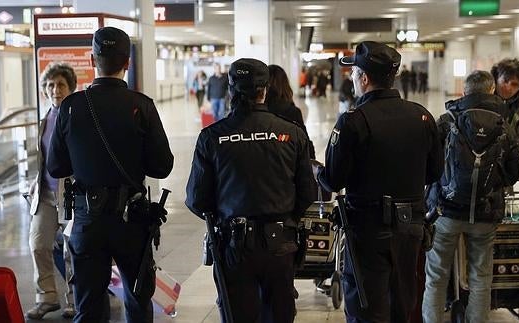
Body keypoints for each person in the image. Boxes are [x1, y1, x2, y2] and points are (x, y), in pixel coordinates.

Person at [46, 26, 174, 322]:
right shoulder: (142, 106)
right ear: (127, 63)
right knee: (137, 299)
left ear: (93, 60)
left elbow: (56, 167)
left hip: (88, 221)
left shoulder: (71, 107)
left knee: (88, 306)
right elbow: (162, 166)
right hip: (132, 219)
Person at [314, 41, 444, 322]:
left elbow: (334, 180)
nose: (351, 78)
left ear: (364, 78)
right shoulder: (421, 116)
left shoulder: (353, 121)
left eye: (353, 73)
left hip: (368, 231)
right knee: (402, 304)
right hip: (410, 228)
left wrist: (316, 171)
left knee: (367, 309)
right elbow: (434, 173)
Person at [185, 58, 316, 323]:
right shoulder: (291, 134)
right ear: (264, 90)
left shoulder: (212, 137)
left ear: (230, 90)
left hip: (234, 246)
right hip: (281, 244)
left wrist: (224, 213)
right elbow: (308, 193)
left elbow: (197, 199)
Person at [422, 70, 519, 323]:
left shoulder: (447, 121)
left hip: (445, 211)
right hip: (485, 214)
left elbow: (428, 164)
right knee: (481, 278)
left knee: (436, 277)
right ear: (492, 91)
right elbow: (514, 171)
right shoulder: (505, 125)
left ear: (465, 92)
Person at [25, 62, 77, 320]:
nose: (55, 90)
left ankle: (74, 299)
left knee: (70, 250)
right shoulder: (44, 121)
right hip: (45, 194)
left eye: (61, 85)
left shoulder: (77, 118)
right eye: (51, 85)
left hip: (69, 194)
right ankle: (46, 297)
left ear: (70, 88)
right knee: (38, 244)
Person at [266, 64, 316, 159]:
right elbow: (306, 146)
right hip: (288, 167)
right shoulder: (292, 112)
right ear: (285, 84)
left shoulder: (257, 112)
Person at [491, 58, 519, 139]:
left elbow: (517, 136)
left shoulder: (518, 107)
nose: (508, 87)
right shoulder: (483, 100)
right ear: (496, 79)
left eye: (514, 84)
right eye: (505, 81)